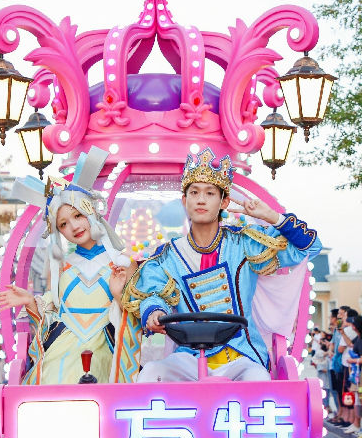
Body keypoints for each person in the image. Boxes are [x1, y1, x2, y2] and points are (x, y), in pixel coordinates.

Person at [128, 147, 322, 382]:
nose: (201, 199)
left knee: (258, 381)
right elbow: (153, 294)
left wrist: (272, 217)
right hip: (189, 356)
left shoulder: (245, 243)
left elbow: (310, 247)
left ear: (224, 201)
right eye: (194, 192)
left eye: (210, 193)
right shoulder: (167, 256)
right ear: (184, 200)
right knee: (151, 373)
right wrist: (155, 312)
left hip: (242, 357)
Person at [0, 148, 133, 385]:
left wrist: (120, 296)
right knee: (50, 380)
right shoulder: (62, 267)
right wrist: (30, 300)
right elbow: (54, 311)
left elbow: (133, 316)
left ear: (91, 212)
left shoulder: (122, 263)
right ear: (58, 232)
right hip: (63, 346)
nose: (74, 227)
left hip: (106, 344)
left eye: (78, 216)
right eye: (64, 224)